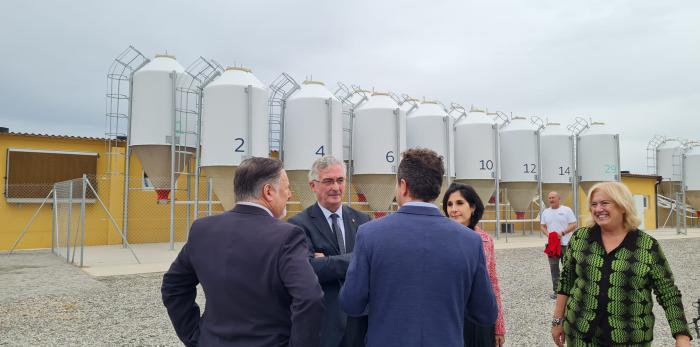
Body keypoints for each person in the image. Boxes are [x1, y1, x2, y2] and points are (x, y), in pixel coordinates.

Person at [339, 148, 497, 347]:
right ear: (437, 190)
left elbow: (351, 303)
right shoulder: (470, 241)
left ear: (403, 186)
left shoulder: (370, 234)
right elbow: (486, 313)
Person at [161, 157, 325, 347]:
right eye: (287, 188)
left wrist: (195, 336)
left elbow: (173, 286)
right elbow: (310, 298)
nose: (289, 194)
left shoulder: (202, 229)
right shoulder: (287, 236)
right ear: (268, 191)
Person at [551, 181, 692, 347]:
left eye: (605, 203)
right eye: (594, 204)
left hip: (630, 338)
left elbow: (668, 292)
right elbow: (566, 281)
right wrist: (557, 321)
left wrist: (681, 335)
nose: (598, 209)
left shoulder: (647, 246)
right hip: (581, 334)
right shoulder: (580, 238)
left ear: (623, 206)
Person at [288, 156, 371, 347]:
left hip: (360, 324)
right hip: (324, 326)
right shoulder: (298, 225)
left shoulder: (363, 220)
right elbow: (309, 269)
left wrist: (327, 261)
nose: (336, 187)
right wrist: (358, 259)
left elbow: (374, 264)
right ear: (313, 185)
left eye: (340, 180)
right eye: (328, 181)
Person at [443, 183, 506, 347]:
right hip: (449, 315)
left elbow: (492, 282)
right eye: (449, 204)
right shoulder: (441, 239)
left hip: (479, 316)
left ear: (472, 207)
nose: (453, 209)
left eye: (459, 203)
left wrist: (499, 326)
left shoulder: (485, 239)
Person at [539, 191, 577, 299]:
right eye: (549, 198)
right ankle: (556, 291)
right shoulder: (546, 212)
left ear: (559, 198)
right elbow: (542, 226)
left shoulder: (566, 210)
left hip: (566, 244)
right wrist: (549, 235)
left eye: (553, 197)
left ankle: (569, 290)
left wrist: (563, 233)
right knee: (554, 268)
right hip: (552, 245)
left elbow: (574, 224)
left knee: (567, 267)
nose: (551, 199)